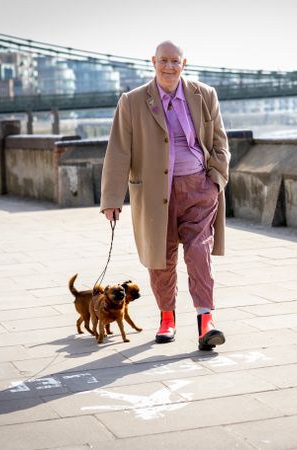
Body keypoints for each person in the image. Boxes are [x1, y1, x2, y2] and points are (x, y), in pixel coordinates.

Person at [100, 41, 230, 351]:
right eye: (163, 61)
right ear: (153, 62)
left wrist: (216, 179)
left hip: (199, 187)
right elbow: (118, 151)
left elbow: (221, 142)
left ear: (184, 62)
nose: (169, 67)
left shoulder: (205, 94)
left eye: (175, 61)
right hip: (155, 193)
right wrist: (111, 199)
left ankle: (205, 321)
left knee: (199, 251)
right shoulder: (132, 102)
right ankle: (167, 318)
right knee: (162, 258)